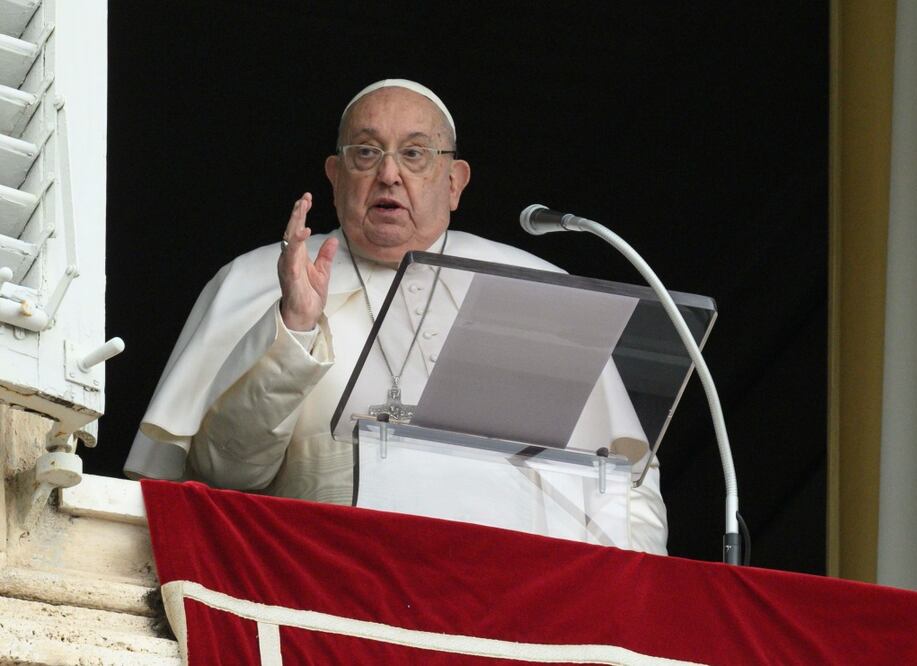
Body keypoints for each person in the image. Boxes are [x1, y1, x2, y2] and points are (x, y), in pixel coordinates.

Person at [124, 79, 667, 554]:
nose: (388, 174)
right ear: (335, 177)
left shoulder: (538, 289)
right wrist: (294, 328)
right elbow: (219, 479)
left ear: (454, 182)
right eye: (366, 153)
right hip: (323, 592)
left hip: (510, 605)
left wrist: (628, 603)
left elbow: (624, 485)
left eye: (415, 154)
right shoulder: (257, 278)